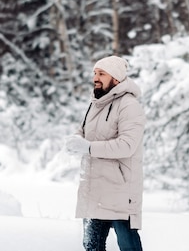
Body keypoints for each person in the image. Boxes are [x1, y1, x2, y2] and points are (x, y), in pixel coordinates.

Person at [65, 55, 146, 251]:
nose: (95, 78)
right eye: (94, 73)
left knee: (128, 246)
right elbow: (83, 131)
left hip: (119, 190)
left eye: (101, 74)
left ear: (116, 78)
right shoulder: (95, 103)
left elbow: (127, 145)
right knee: (91, 246)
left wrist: (89, 148)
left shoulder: (129, 106)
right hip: (95, 189)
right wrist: (75, 141)